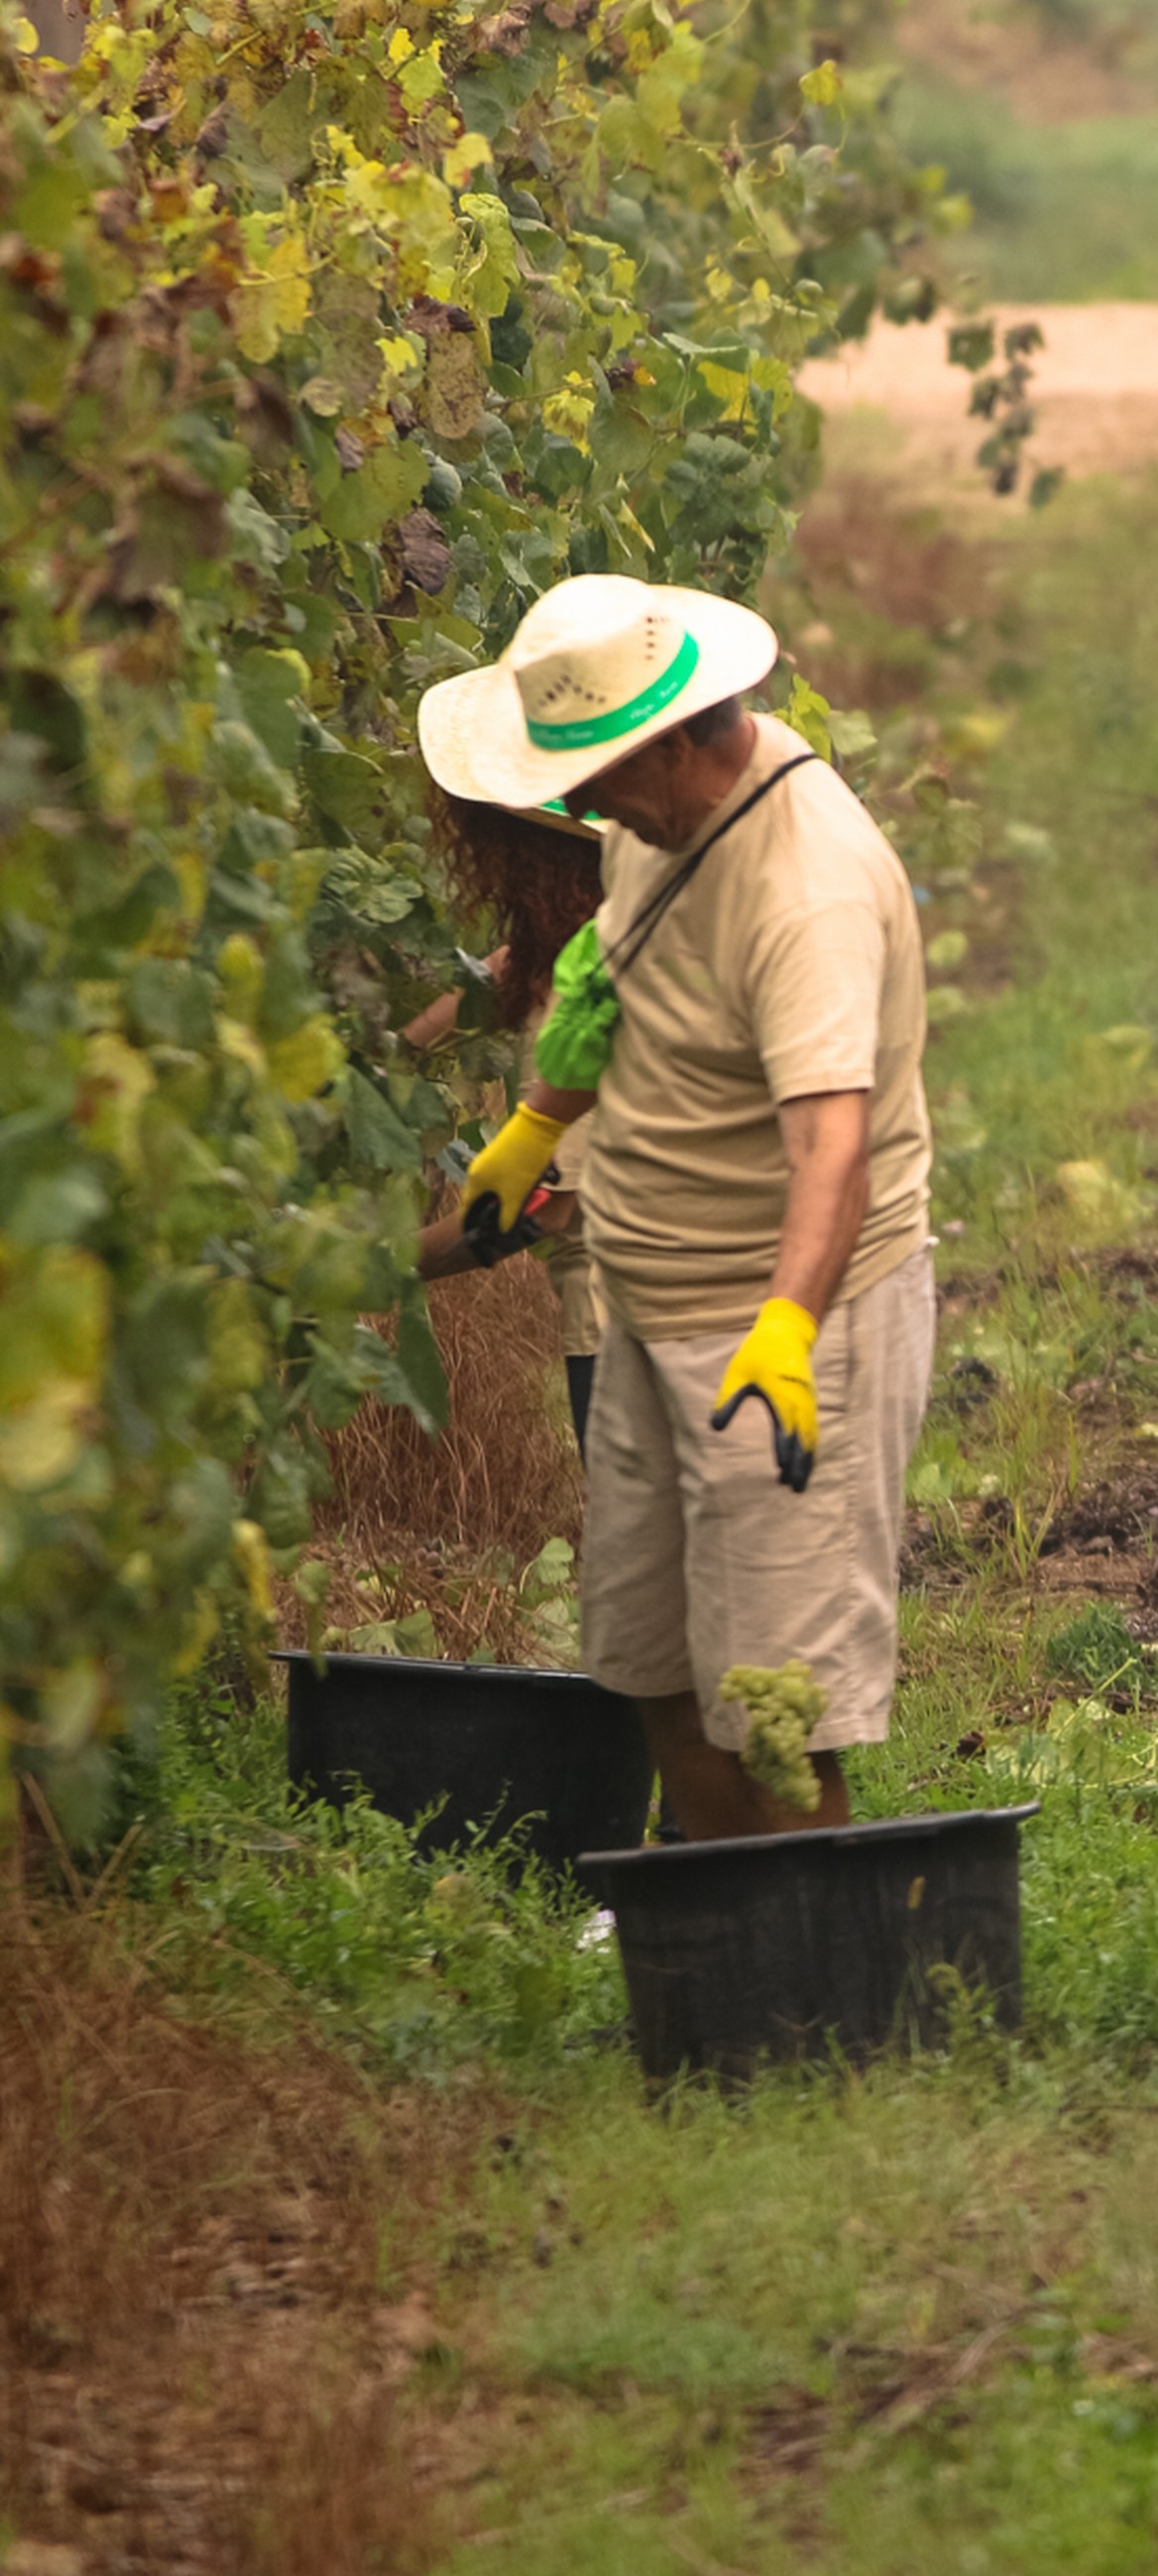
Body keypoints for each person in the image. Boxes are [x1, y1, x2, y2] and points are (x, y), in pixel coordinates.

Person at [413, 573, 934, 1843]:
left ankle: (803, 2002)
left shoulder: (800, 888)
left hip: (773, 1327)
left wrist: (786, 1330)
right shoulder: (656, 827)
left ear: (690, 733)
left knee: (774, 1717)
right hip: (649, 1315)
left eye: (593, 767)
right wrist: (541, 1117)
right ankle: (720, 1973)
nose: (573, 798)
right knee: (660, 1681)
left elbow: (833, 1146)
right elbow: (607, 966)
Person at [404, 796, 607, 1444]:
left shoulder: (573, 995)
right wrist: (386, 1059)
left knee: (640, 1542)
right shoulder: (605, 946)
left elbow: (538, 1207)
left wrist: (384, 1268)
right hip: (695, 1306)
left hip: (625, 1333)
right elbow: (498, 976)